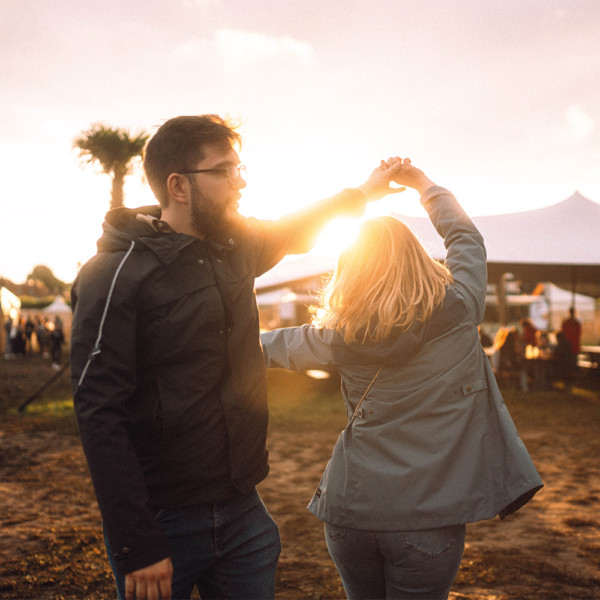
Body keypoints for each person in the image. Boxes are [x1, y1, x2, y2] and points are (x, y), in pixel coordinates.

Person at [69, 114, 405, 600]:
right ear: (178, 185)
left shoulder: (235, 244)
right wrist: (135, 542)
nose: (240, 182)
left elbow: (296, 228)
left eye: (240, 167)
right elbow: (98, 409)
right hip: (161, 521)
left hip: (243, 511)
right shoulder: (114, 274)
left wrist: (365, 192)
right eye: (225, 171)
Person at [260, 158, 543, 600]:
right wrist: (422, 183)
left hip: (350, 512)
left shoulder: (335, 338)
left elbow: (254, 347)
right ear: (417, 259)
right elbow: (465, 237)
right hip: (428, 516)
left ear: (350, 273)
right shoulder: (462, 306)